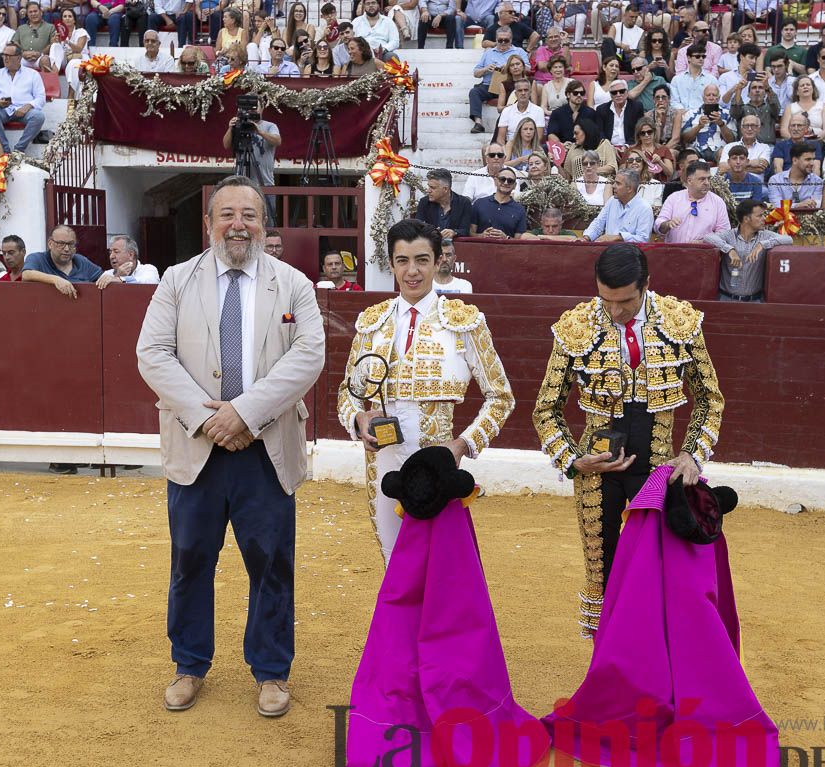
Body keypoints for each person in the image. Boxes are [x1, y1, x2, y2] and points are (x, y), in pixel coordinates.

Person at [135, 174, 323, 716]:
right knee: (191, 559)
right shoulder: (175, 280)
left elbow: (307, 357)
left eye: (249, 215)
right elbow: (153, 355)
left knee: (270, 562)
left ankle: (271, 671)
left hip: (265, 448)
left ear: (263, 224)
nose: (238, 225)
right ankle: (189, 663)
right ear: (209, 224)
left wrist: (244, 413)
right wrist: (208, 418)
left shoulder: (292, 284)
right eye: (227, 215)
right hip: (197, 447)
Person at [531, 242, 723, 634]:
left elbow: (709, 399)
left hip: (658, 474)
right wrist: (572, 460)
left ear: (647, 284)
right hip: (596, 474)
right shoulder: (576, 327)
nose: (615, 311)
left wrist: (690, 455)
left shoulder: (678, 321)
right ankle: (608, 675)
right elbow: (545, 410)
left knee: (660, 575)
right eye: (606, 300)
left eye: (626, 302)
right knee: (602, 578)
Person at [336, 218, 512, 565]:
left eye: (421, 260)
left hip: (438, 462)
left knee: (439, 565)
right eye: (402, 261)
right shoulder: (372, 322)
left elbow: (501, 397)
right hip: (382, 462)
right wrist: (357, 419)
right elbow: (348, 392)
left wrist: (462, 445)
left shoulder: (464, 322)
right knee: (393, 561)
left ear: (437, 262)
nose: (412, 271)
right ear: (391, 264)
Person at [703, 199, 792, 302]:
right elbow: (708, 237)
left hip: (755, 301)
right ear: (746, 219)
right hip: (726, 299)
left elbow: (789, 239)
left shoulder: (765, 235)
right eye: (759, 216)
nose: (764, 218)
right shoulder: (729, 235)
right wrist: (730, 250)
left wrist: (762, 244)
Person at [0, 45, 46, 154]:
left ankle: (18, 150)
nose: (5, 58)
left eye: (9, 55)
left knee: (38, 116)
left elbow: (41, 98)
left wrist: (27, 107)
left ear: (18, 58)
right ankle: (5, 150)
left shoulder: (33, 74)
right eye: (4, 55)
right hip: (4, 109)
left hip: (25, 110)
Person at [467, 28, 528, 134]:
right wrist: (486, 69)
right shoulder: (489, 52)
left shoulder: (519, 51)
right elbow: (475, 73)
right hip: (489, 85)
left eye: (506, 40)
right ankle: (478, 123)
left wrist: (510, 67)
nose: (503, 43)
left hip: (511, 86)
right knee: (474, 92)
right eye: (500, 40)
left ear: (511, 40)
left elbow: (528, 68)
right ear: (496, 39)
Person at [655, 160, 731, 242]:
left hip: (705, 253)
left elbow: (725, 233)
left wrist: (704, 242)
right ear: (689, 181)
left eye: (708, 178)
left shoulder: (718, 202)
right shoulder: (674, 198)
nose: (707, 183)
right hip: (675, 252)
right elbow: (658, 226)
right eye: (702, 179)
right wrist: (667, 224)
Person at [21, 225, 104, 297]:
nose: (67, 249)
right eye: (61, 244)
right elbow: (26, 274)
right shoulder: (37, 258)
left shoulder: (81, 261)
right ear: (50, 244)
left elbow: (102, 277)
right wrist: (55, 280)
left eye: (71, 244)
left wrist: (110, 278)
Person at [220, 96, 281, 187]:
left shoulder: (270, 126)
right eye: (248, 108)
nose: (252, 110)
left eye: (255, 107)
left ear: (262, 108)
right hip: (242, 184)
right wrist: (231, 128)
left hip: (265, 183)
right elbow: (226, 145)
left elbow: (277, 141)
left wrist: (259, 131)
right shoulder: (238, 125)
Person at [581, 168, 653, 243]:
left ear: (629, 189)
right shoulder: (612, 201)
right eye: (614, 182)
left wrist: (619, 237)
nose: (613, 186)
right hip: (608, 251)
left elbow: (643, 239)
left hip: (630, 253)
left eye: (618, 183)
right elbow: (598, 223)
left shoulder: (644, 208)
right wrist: (586, 238)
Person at [470, 166, 528, 238]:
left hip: (507, 249)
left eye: (510, 181)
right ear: (495, 181)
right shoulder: (479, 203)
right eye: (502, 179)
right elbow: (470, 233)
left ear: (514, 185)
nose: (506, 183)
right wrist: (481, 236)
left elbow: (519, 241)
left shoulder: (520, 209)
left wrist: (506, 238)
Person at [681, 83, 733, 163]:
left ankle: (720, 176)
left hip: (719, 149)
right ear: (703, 98)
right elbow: (685, 139)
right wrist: (698, 127)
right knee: (688, 154)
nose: (711, 98)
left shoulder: (727, 114)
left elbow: (732, 140)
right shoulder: (691, 114)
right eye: (708, 95)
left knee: (725, 153)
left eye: (714, 95)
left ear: (718, 98)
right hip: (696, 149)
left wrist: (721, 124)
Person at [415, 167, 471, 240]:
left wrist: (454, 232)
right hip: (431, 246)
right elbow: (417, 228)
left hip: (455, 247)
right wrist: (433, 232)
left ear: (445, 189)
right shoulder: (424, 202)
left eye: (433, 188)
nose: (428, 191)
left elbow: (466, 230)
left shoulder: (463, 203)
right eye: (429, 186)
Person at [766, 141, 822, 209]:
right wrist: (797, 206)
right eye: (808, 159)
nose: (812, 163)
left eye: (813, 159)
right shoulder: (775, 180)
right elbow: (776, 205)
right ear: (795, 160)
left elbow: (816, 205)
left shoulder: (817, 181)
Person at [669, 43, 718, 114]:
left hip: (704, 117)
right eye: (697, 56)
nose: (701, 59)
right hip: (682, 118)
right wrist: (685, 113)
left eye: (703, 56)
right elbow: (674, 102)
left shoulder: (712, 79)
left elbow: (715, 100)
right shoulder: (677, 80)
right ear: (689, 58)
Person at [547, 79, 597, 146]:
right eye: (575, 93)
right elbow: (551, 134)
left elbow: (595, 134)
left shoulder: (591, 113)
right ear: (568, 95)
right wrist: (561, 145)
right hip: (564, 149)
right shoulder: (557, 113)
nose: (579, 95)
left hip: (584, 149)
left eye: (582, 93)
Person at [496, 76, 545, 143]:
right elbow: (500, 139)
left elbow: (539, 137)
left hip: (531, 148)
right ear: (516, 94)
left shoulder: (538, 111)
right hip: (510, 148)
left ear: (530, 92)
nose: (523, 93)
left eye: (526, 90)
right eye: (520, 90)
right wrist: (506, 150)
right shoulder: (507, 110)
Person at [11, 2, 54, 73]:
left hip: (40, 57)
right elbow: (14, 43)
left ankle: (46, 83)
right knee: (12, 60)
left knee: (45, 60)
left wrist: (40, 53)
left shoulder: (50, 27)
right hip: (23, 57)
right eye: (30, 12)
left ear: (41, 12)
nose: (33, 14)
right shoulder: (21, 28)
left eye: (35, 11)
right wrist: (22, 53)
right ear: (27, 14)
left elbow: (53, 44)